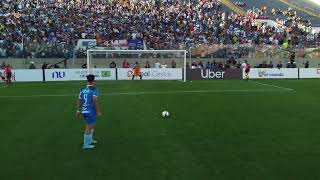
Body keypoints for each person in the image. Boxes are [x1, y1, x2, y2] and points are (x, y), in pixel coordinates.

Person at [76, 74, 101, 149]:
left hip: (85, 110)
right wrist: (98, 111)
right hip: (90, 111)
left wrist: (78, 110)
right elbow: (95, 100)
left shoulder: (82, 90)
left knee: (92, 125)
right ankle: (86, 144)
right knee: (89, 127)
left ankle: (90, 139)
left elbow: (79, 100)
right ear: (93, 81)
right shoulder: (94, 89)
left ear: (87, 81)